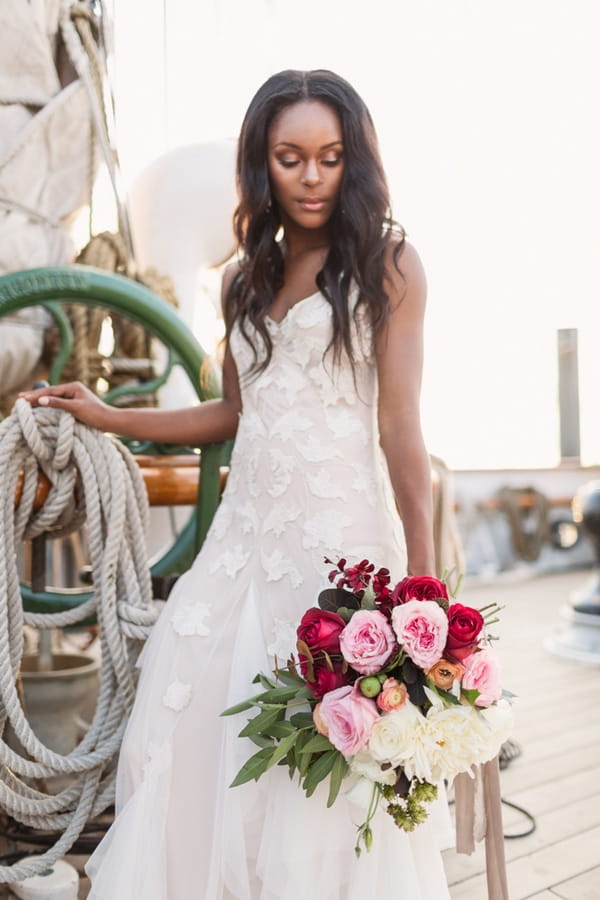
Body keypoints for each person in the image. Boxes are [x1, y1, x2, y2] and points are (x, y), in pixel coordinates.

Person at [22, 69, 452, 899]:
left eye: (329, 156)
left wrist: (422, 589)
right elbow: (231, 410)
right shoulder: (242, 278)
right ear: (262, 164)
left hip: (341, 544)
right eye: (290, 157)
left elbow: (401, 423)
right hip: (242, 544)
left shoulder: (391, 264)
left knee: (328, 749)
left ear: (353, 160)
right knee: (186, 710)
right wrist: (110, 416)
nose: (312, 176)